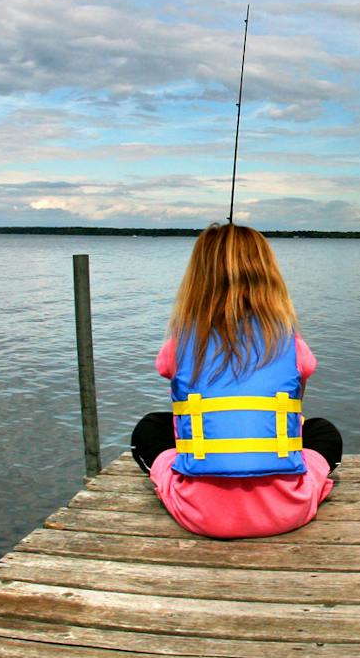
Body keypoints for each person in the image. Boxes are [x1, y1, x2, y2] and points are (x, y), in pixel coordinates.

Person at [129, 222, 342, 538]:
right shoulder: (290, 341)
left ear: (198, 279)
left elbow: (170, 375)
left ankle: (197, 485)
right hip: (286, 510)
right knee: (322, 431)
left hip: (200, 513)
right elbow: (301, 384)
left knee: (151, 427)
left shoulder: (180, 343)